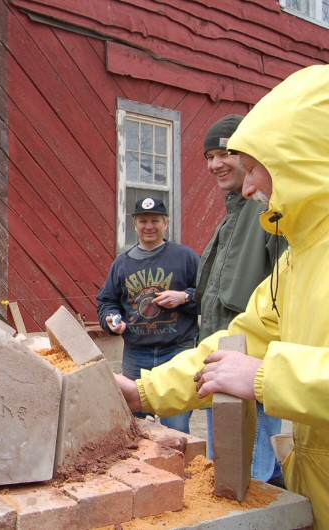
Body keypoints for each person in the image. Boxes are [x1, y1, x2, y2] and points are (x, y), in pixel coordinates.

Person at [116, 64, 329, 528]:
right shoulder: (296, 261)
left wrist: (266, 377)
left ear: (304, 161)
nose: (248, 187)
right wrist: (144, 391)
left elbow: (253, 365)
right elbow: (237, 343)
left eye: (255, 169)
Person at [198, 114, 286, 486]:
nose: (216, 164)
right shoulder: (229, 217)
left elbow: (284, 295)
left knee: (253, 477)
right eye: (210, 156)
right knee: (231, 465)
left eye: (226, 154)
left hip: (253, 368)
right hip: (222, 359)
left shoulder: (267, 210)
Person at [97, 197, 199, 433]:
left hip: (177, 351)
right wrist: (112, 319)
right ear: (135, 224)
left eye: (155, 220)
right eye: (143, 221)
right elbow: (107, 301)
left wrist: (184, 297)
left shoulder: (185, 257)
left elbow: (209, 294)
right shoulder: (122, 263)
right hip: (136, 354)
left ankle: (177, 468)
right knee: (136, 426)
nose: (149, 226)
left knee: (176, 426)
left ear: (166, 223)